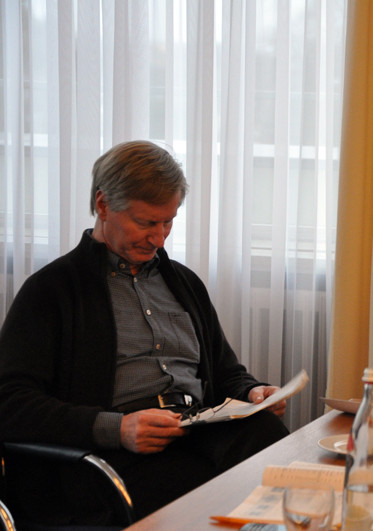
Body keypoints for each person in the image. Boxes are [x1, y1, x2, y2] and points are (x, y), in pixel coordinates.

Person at [0, 140, 290, 525]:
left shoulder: (184, 283)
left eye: (168, 222)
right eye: (146, 223)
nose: (159, 238)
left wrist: (252, 393)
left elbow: (226, 373)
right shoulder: (51, 290)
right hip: (111, 456)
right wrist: (117, 429)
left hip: (194, 429)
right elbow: (11, 402)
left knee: (268, 437)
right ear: (103, 205)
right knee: (209, 491)